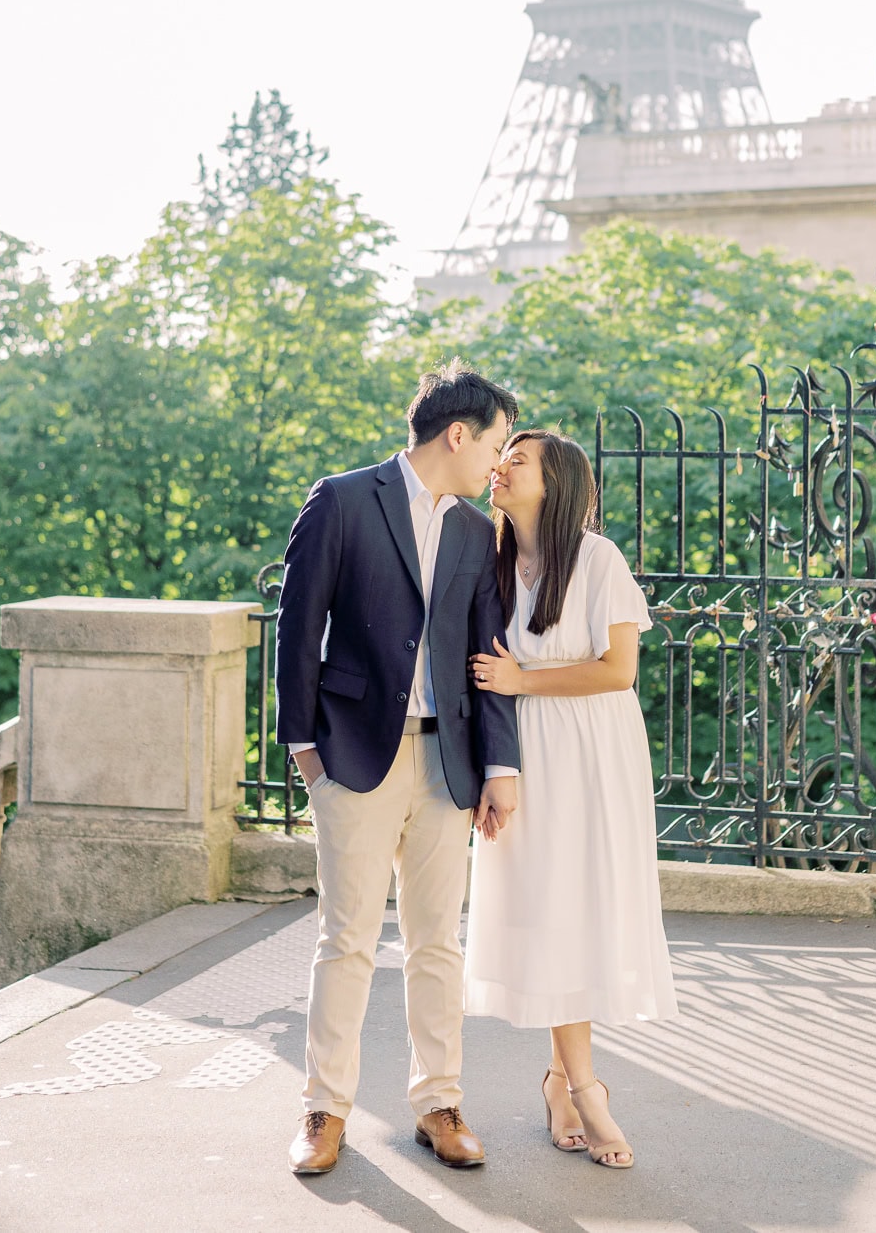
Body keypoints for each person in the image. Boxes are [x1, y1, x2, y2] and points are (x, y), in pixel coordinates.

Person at [276, 360, 521, 1176]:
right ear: (458, 433)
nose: (499, 461)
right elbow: (298, 624)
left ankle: (438, 1103)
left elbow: (488, 652)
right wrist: (303, 748)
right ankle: (324, 1110)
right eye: (495, 442)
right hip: (352, 755)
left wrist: (499, 766)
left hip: (447, 762)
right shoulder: (343, 498)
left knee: (434, 942)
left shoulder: (474, 533)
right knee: (345, 939)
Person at [464, 430, 678, 1170]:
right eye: (501, 457)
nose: (499, 467)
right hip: (524, 757)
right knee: (545, 915)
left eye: (517, 459)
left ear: (555, 482)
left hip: (593, 751)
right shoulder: (489, 565)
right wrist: (489, 768)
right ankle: (578, 1083)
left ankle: (572, 1082)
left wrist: (524, 680)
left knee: (578, 910)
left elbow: (618, 669)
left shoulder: (597, 558)